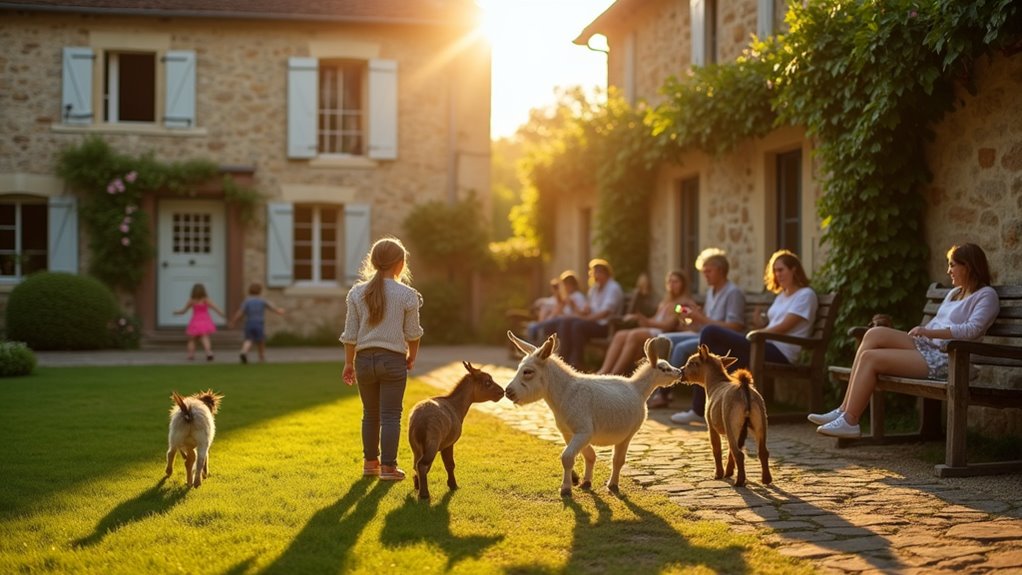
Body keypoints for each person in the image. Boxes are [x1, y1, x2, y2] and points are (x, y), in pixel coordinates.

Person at [810, 243, 999, 438]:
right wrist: (924, 333)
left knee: (870, 358)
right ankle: (842, 409)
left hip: (950, 358)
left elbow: (972, 330)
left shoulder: (986, 296)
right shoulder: (954, 293)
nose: (948, 270)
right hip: (928, 346)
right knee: (874, 334)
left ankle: (850, 421)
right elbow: (937, 322)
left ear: (967, 266)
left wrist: (929, 332)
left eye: (952, 265)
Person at [689, 249, 818, 414]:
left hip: (782, 352)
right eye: (775, 271)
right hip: (765, 344)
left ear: (794, 269)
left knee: (710, 331)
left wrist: (757, 333)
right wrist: (760, 324)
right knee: (719, 356)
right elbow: (774, 324)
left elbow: (785, 326)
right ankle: (711, 409)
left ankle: (698, 408)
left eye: (781, 270)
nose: (778, 274)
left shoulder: (805, 295)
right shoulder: (782, 296)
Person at [340, 237, 424, 481]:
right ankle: (388, 467)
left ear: (374, 262)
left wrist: (348, 363)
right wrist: (411, 356)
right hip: (392, 360)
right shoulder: (407, 295)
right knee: (390, 415)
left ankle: (370, 464)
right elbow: (413, 333)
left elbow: (350, 334)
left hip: (364, 361)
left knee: (370, 414)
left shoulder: (356, 293)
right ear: (400, 264)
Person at [661, 249, 747, 417]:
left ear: (721, 270)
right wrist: (692, 320)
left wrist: (701, 318)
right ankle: (662, 388)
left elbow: (735, 326)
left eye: (709, 271)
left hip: (721, 342)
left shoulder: (733, 292)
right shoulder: (711, 292)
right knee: (664, 339)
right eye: (704, 271)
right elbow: (704, 324)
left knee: (680, 348)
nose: (705, 275)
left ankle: (664, 392)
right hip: (705, 335)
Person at [598, 269, 696, 376]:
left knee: (634, 335)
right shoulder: (666, 301)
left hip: (663, 333)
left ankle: (614, 374)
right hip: (654, 329)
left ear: (683, 284)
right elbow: (656, 318)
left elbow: (668, 325)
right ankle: (604, 371)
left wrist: (648, 322)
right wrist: (642, 319)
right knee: (619, 335)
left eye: (676, 282)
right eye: (670, 281)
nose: (672, 285)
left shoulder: (682, 303)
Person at [551, 258, 625, 370]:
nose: (594, 276)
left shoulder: (613, 288)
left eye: (597, 273)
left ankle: (577, 363)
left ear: (605, 273)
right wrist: (585, 310)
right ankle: (563, 359)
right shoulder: (594, 289)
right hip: (592, 323)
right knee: (566, 322)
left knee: (577, 325)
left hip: (605, 325)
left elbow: (605, 312)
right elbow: (589, 309)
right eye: (593, 273)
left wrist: (587, 318)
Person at [230, 282, 285, 364]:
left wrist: (233, 321)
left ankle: (243, 352)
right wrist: (279, 311)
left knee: (248, 339)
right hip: (259, 323)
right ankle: (261, 356)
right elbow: (271, 307)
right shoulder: (262, 300)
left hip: (249, 323)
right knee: (261, 341)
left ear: (249, 291)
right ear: (260, 291)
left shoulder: (247, 301)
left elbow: (240, 312)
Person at [526, 270, 588, 343]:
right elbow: (559, 311)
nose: (563, 288)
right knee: (540, 324)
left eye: (565, 285)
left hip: (568, 321)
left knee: (542, 327)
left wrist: (572, 304)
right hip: (562, 320)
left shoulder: (578, 296)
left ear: (571, 285)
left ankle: (538, 329)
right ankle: (538, 330)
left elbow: (580, 314)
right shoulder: (566, 297)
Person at [174, 283, 227, 361]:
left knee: (192, 339)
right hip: (205, 321)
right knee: (205, 337)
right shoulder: (206, 299)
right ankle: (209, 353)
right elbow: (215, 308)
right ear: (203, 291)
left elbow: (184, 311)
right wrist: (223, 315)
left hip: (195, 321)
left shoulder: (191, 300)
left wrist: (177, 312)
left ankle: (191, 355)